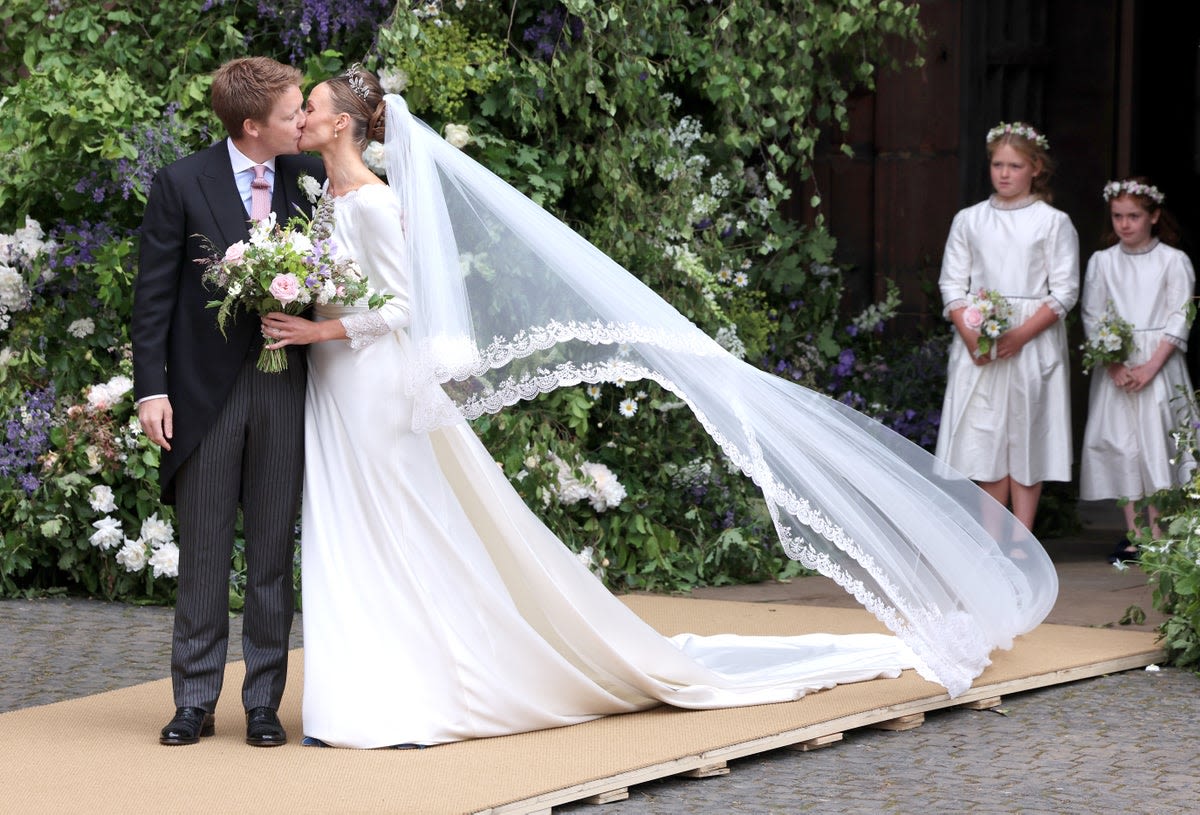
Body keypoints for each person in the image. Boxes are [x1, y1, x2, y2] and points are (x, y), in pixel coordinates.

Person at [262, 69, 1058, 749]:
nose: (300, 116)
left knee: (393, 524)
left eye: (311, 106)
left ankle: (406, 689)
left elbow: (406, 305)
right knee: (353, 525)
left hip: (368, 380)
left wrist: (318, 325)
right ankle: (369, 681)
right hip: (334, 378)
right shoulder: (327, 198)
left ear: (346, 123)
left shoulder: (370, 201)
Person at [132, 56, 325, 747]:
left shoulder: (313, 182)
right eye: (292, 112)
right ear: (252, 125)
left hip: (285, 386)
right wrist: (151, 388)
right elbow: (152, 295)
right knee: (205, 553)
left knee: (273, 552)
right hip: (200, 397)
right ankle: (193, 700)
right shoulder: (180, 182)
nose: (303, 119)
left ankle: (265, 702)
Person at [935, 122, 1080, 532]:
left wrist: (1019, 334)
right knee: (987, 434)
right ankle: (992, 536)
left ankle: (1022, 537)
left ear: (1035, 168)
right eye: (998, 164)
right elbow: (952, 283)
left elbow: (1065, 290)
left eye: (1014, 165)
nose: (1004, 173)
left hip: (1032, 342)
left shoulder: (1052, 222)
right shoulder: (969, 220)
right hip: (979, 340)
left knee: (1027, 433)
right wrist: (970, 336)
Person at [1079, 178, 1197, 562]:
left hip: (1159, 364)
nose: (1125, 224)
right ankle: (1134, 534)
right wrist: (1113, 362)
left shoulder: (1173, 260)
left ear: (1154, 215)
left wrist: (1151, 366)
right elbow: (1094, 315)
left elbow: (1181, 314)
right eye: (1117, 216)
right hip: (1119, 367)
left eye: (1133, 216)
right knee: (1123, 446)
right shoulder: (1102, 261)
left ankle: (1162, 530)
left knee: (1158, 444)